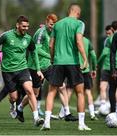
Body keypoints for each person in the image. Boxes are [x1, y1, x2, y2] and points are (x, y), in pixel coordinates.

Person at [16, 13, 77, 122]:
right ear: (46, 22)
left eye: (54, 24)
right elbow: (37, 50)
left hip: (48, 65)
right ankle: (20, 108)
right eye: (50, 24)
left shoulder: (54, 32)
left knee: (61, 86)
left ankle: (67, 113)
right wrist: (50, 56)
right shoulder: (41, 33)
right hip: (35, 66)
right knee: (35, 93)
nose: (52, 26)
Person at [41, 3, 91, 131]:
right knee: (80, 93)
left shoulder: (57, 24)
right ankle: (81, 124)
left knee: (51, 92)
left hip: (58, 62)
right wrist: (85, 58)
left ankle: (46, 123)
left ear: (69, 11)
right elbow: (79, 42)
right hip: (73, 62)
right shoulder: (79, 24)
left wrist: (52, 58)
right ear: (78, 13)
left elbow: (51, 45)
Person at [0, 15, 44, 126]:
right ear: (17, 25)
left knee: (30, 90)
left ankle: (36, 118)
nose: (26, 28)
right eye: (23, 26)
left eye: (27, 26)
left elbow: (34, 53)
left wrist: (38, 69)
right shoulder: (6, 36)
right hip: (7, 71)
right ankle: (13, 105)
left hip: (23, 69)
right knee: (13, 97)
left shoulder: (28, 39)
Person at [66, 37, 98, 120]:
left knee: (69, 91)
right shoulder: (87, 41)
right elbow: (93, 56)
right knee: (88, 92)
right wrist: (94, 68)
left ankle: (64, 112)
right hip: (85, 70)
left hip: (74, 69)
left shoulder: (71, 40)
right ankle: (92, 114)